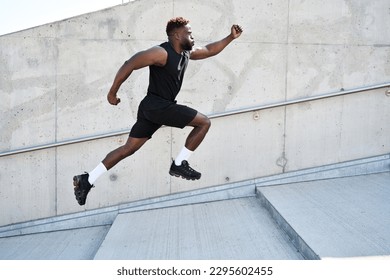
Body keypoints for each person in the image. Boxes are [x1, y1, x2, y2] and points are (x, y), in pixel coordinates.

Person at [73, 17, 243, 205]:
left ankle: (87, 179)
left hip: (152, 108)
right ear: (177, 35)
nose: (192, 36)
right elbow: (130, 63)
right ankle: (179, 164)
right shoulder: (161, 53)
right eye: (189, 33)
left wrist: (230, 37)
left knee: (128, 149)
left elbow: (210, 50)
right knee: (204, 122)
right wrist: (112, 92)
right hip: (158, 106)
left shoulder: (187, 53)